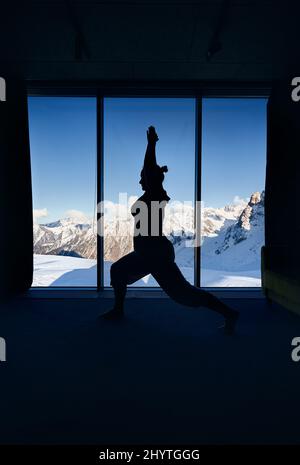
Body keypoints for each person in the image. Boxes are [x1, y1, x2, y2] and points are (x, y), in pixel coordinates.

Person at [101, 126, 239, 334]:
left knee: (184, 295)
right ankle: (118, 310)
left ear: (151, 179)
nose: (140, 180)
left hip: (155, 253)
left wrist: (151, 145)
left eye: (143, 178)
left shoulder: (155, 193)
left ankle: (229, 313)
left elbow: (149, 169)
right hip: (146, 252)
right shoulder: (152, 194)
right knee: (118, 270)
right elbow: (149, 172)